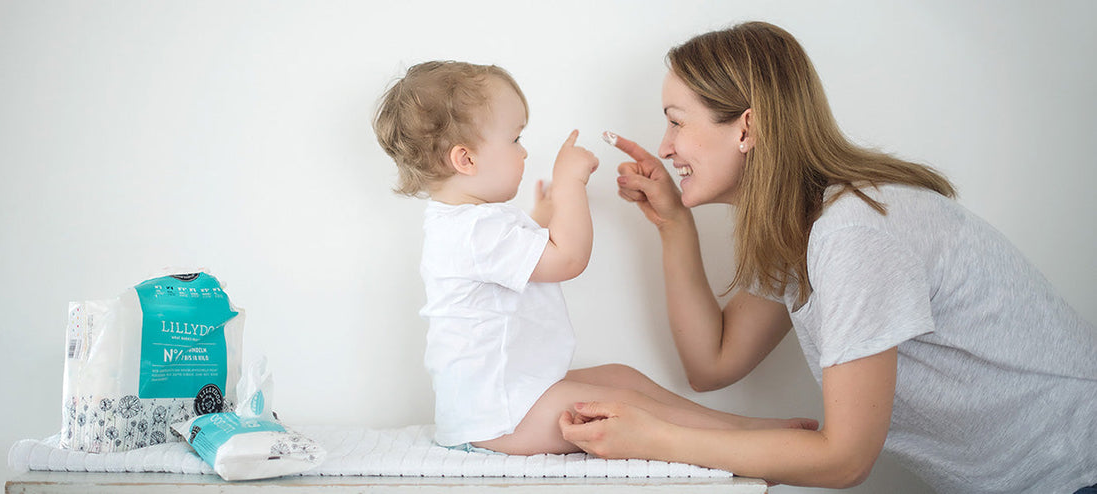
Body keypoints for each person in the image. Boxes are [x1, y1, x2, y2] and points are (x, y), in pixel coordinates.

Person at [558, 22, 1097, 493]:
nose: (666, 145)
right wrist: (674, 224)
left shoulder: (854, 230)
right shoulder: (803, 227)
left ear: (746, 127)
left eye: (677, 120)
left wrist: (659, 441)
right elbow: (713, 363)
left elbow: (844, 461)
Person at [372, 61, 816, 456]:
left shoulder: (469, 225)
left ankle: (742, 429)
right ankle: (746, 438)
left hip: (504, 400)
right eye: (515, 138)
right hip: (499, 416)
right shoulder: (472, 231)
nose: (525, 151)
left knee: (623, 378)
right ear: (465, 158)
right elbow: (568, 260)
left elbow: (526, 255)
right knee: (624, 407)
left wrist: (543, 215)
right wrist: (570, 185)